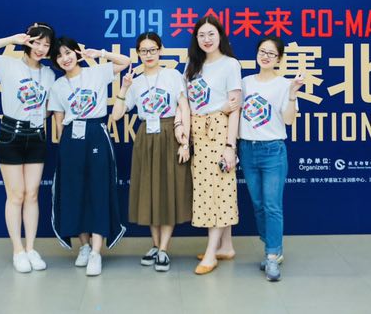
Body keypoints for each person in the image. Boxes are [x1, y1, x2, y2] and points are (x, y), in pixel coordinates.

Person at [0, 22, 56, 273]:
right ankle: (17, 250)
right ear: (27, 41)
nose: (41, 48)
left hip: (37, 135)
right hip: (12, 134)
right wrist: (11, 39)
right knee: (16, 195)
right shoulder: (8, 65)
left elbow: (48, 108)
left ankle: (31, 248)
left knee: (32, 194)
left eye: (46, 44)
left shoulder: (49, 74)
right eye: (37, 42)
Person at [47, 37, 131, 276]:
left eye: (68, 52)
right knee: (74, 192)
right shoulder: (58, 86)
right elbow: (59, 121)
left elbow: (125, 61)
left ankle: (96, 252)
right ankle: (83, 246)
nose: (65, 58)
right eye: (59, 56)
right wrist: (65, 147)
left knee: (98, 190)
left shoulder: (96, 72)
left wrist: (100, 54)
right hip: (71, 138)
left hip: (96, 133)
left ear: (76, 52)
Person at [112, 32, 192, 272]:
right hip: (146, 137)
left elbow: (184, 107)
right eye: (143, 51)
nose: (148, 55)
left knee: (168, 191)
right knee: (150, 191)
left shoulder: (172, 75)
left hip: (170, 133)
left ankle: (164, 249)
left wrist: (185, 142)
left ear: (160, 50)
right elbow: (116, 115)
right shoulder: (135, 82)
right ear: (138, 53)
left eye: (152, 50)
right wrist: (124, 88)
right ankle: (156, 246)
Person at [239, 35, 303, 281]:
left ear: (279, 59)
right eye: (262, 52)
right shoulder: (245, 83)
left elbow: (288, 120)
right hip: (247, 149)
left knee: (272, 205)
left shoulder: (285, 85)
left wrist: (293, 94)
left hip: (273, 151)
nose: (265, 57)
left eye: (271, 53)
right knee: (258, 205)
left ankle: (272, 256)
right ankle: (273, 248)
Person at [184, 16, 242, 275]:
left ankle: (211, 253)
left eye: (211, 34)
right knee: (211, 189)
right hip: (198, 132)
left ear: (220, 36)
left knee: (218, 189)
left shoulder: (230, 64)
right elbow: (186, 101)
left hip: (219, 132)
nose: (206, 39)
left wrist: (230, 146)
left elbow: (235, 108)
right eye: (201, 35)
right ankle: (225, 247)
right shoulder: (192, 65)